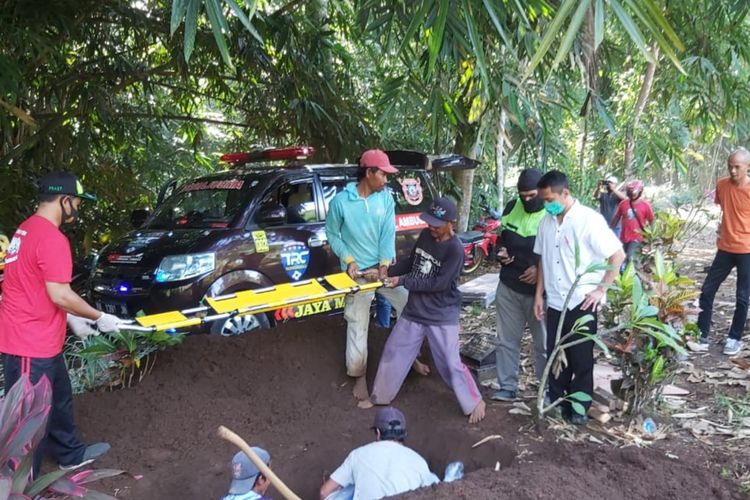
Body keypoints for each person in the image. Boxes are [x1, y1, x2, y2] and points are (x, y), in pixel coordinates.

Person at [0, 172, 122, 473]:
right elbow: (60, 293)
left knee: (60, 400)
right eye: (77, 202)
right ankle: (21, 485)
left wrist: (70, 320)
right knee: (28, 421)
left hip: (42, 341)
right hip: (29, 345)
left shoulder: (26, 230)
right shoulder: (52, 238)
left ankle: (71, 454)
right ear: (64, 200)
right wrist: (98, 316)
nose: (77, 209)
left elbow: (34, 285)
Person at [358, 197, 486, 424]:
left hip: (442, 313)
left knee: (449, 361)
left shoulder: (455, 250)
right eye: (429, 223)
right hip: (416, 309)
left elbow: (438, 284)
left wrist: (402, 281)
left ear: (451, 223)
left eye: (436, 225)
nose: (431, 228)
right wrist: (386, 272)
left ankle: (474, 400)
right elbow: (412, 262)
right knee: (393, 351)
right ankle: (379, 397)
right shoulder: (427, 236)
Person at [533, 171, 625, 425]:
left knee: (581, 358)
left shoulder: (589, 221)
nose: (546, 204)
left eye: (550, 198)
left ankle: (579, 407)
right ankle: (556, 401)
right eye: (543, 200)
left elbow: (617, 256)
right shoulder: (546, 222)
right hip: (555, 302)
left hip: (582, 302)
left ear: (565, 193)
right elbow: (542, 260)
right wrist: (539, 294)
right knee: (555, 354)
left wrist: (601, 289)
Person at [325, 149, 410, 401]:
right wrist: (349, 260)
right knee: (357, 322)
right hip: (358, 275)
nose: (386, 180)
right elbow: (333, 235)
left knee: (409, 305)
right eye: (383, 174)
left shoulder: (385, 200)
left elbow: (388, 234)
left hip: (380, 269)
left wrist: (383, 267)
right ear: (369, 173)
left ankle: (410, 358)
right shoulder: (341, 202)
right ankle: (359, 375)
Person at [491, 168, 547, 402]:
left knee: (543, 344)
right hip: (509, 286)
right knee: (506, 341)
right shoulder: (512, 206)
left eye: (532, 195)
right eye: (522, 195)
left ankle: (546, 390)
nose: (526, 200)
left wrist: (540, 272)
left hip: (539, 294)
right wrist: (500, 252)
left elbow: (559, 254)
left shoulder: (552, 212)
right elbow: (501, 238)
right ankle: (507, 386)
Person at [319, 406, 439, 500]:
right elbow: (435, 493)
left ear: (378, 432)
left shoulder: (358, 455)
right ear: (405, 434)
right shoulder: (418, 461)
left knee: (349, 488)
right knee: (431, 478)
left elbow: (324, 492)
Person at [697, 148, 750, 356]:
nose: (733, 171)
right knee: (707, 290)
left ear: (747, 166)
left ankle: (734, 338)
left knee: (743, 296)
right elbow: (723, 208)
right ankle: (702, 335)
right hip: (725, 248)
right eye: (730, 166)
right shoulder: (722, 185)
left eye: (737, 167)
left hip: (747, 250)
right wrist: (722, 228)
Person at [609, 179, 655, 268]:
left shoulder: (646, 205)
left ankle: (636, 277)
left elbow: (652, 220)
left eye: (634, 192)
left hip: (637, 237)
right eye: (630, 192)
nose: (632, 194)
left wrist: (651, 238)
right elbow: (616, 218)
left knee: (631, 257)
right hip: (624, 237)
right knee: (620, 258)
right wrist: (609, 231)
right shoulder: (623, 204)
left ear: (640, 192)